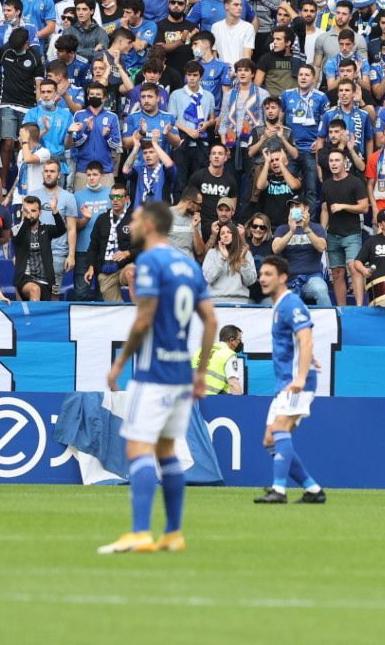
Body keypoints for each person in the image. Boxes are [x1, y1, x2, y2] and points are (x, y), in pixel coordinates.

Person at [99, 200, 216, 555]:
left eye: (134, 218)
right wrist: (200, 373)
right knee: (167, 452)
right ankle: (173, 533)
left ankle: (139, 532)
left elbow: (144, 319)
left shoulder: (149, 262)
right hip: (181, 372)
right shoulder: (188, 264)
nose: (130, 223)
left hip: (153, 374)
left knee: (138, 448)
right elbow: (211, 320)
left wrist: (120, 363)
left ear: (149, 224)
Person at [253, 254, 326, 504]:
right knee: (269, 439)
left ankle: (279, 490)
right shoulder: (278, 305)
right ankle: (313, 489)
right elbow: (300, 342)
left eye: (268, 274)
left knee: (280, 429)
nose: (262, 278)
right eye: (261, 274)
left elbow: (305, 337)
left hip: (297, 382)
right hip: (286, 381)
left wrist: (302, 376)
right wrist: (310, 357)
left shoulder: (290, 304)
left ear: (283, 278)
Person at [193, 325, 245, 395]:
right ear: (231, 340)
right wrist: (241, 403)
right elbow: (233, 383)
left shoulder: (200, 350)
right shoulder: (228, 354)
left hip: (192, 399)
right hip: (212, 400)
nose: (240, 343)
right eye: (239, 340)